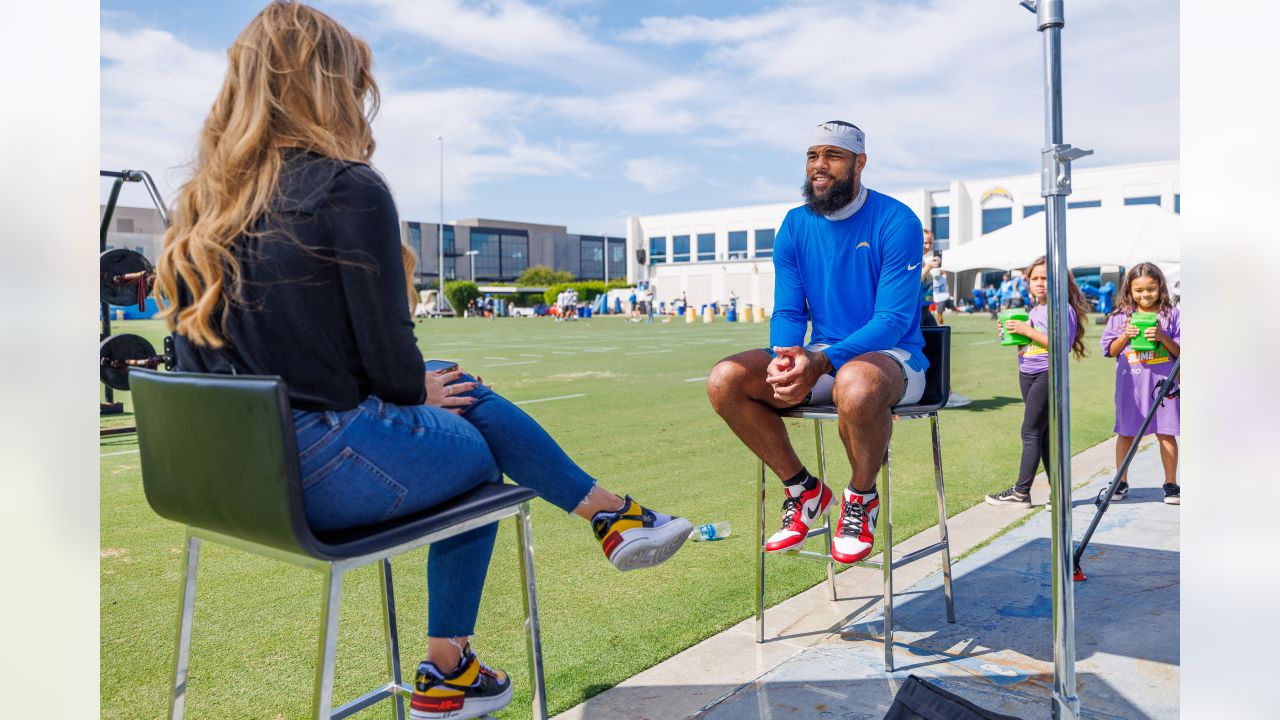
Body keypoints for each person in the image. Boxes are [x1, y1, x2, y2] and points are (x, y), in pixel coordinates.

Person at [152, 5, 691, 718]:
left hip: (229, 480)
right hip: (317, 474)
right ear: (332, 85)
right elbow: (392, 369)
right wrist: (416, 388)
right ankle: (589, 533)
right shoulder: (346, 186)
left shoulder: (201, 204)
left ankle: (595, 534)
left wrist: (411, 384)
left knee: (453, 382)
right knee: (473, 437)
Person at [707, 121, 927, 565]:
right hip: (823, 359)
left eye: (833, 155)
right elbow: (790, 311)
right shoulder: (794, 224)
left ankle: (860, 498)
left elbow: (892, 320)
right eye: (812, 156)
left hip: (895, 359)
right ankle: (803, 489)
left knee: (856, 384)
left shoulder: (897, 220)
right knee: (725, 379)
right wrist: (785, 357)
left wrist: (821, 359)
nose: (819, 166)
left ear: (859, 163)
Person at [985, 256, 1091, 507]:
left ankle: (1021, 493)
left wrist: (1027, 331)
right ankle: (1059, 494)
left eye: (1046, 278)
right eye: (1035, 278)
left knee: (1030, 431)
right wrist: (1014, 338)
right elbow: (1029, 344)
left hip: (1048, 373)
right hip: (1028, 373)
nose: (1040, 283)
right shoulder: (1033, 311)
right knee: (1041, 434)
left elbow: (1061, 344)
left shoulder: (1061, 308)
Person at [1100, 263, 1181, 504]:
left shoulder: (1172, 315)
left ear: (1160, 288)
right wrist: (1125, 334)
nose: (1145, 295)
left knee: (1166, 433)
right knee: (1126, 433)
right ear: (1129, 290)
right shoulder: (1119, 317)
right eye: (1139, 290)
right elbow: (1110, 350)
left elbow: (1181, 350)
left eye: (1151, 289)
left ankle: (1171, 484)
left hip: (1164, 387)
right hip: (1131, 388)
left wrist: (1161, 336)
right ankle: (1120, 482)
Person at [919, 230, 941, 326]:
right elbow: (914, 281)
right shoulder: (912, 257)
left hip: (925, 308)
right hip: (916, 309)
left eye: (930, 243)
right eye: (925, 243)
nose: (928, 246)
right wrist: (928, 266)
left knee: (936, 337)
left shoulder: (922, 258)